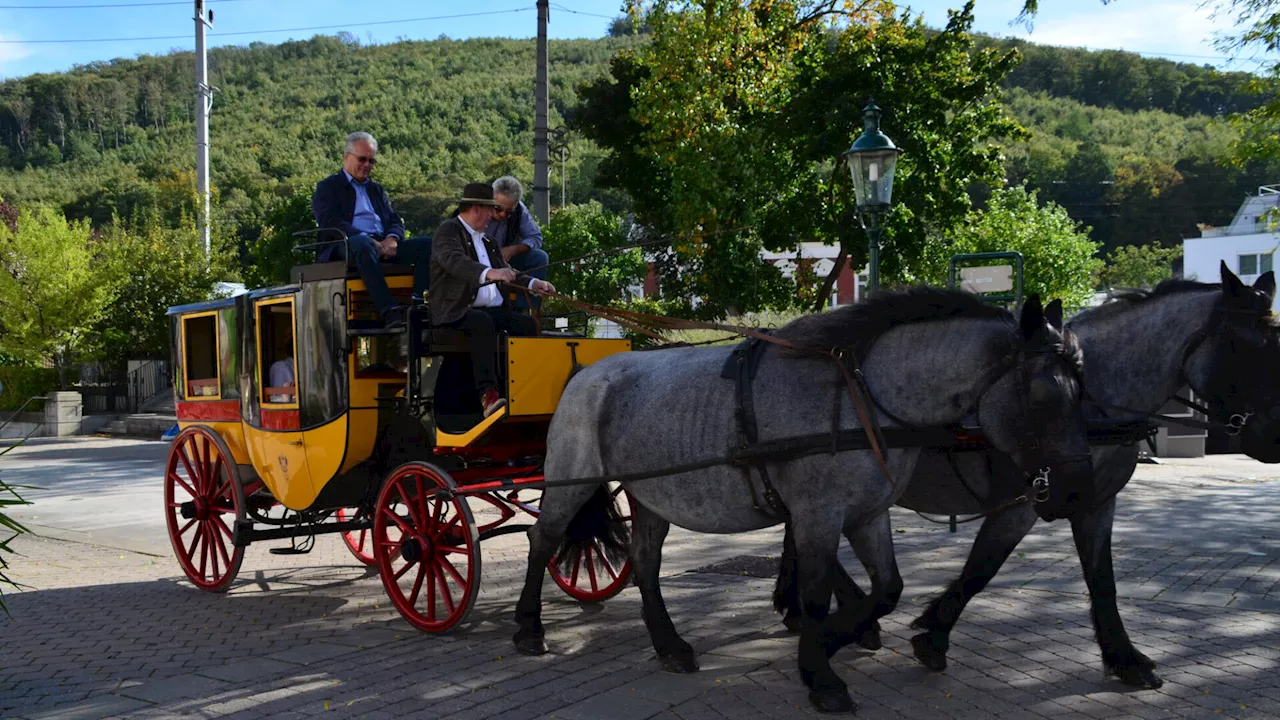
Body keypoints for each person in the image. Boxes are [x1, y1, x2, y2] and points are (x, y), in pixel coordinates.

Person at [430, 182, 556, 418]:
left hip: (490, 312)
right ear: (477, 209)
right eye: (491, 210)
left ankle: (524, 391)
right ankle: (487, 395)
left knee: (527, 325)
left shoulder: (488, 242)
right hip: (456, 312)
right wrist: (490, 273)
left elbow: (508, 271)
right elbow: (455, 261)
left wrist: (533, 284)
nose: (494, 217)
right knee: (482, 323)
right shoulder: (448, 232)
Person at [312, 131, 430, 330]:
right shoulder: (328, 187)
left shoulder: (376, 190)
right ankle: (389, 310)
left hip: (382, 242)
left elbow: (394, 219)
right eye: (362, 159)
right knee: (363, 244)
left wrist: (392, 239)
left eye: (371, 161)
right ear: (346, 157)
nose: (367, 165)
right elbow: (329, 220)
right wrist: (366, 238)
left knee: (429, 245)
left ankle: (418, 303)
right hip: (346, 243)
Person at [487, 176, 549, 311]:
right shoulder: (481, 211)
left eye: (509, 212)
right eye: (498, 209)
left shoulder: (520, 211)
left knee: (540, 257)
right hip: (481, 260)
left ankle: (524, 308)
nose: (503, 215)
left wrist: (513, 250)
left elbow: (536, 237)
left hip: (506, 260)